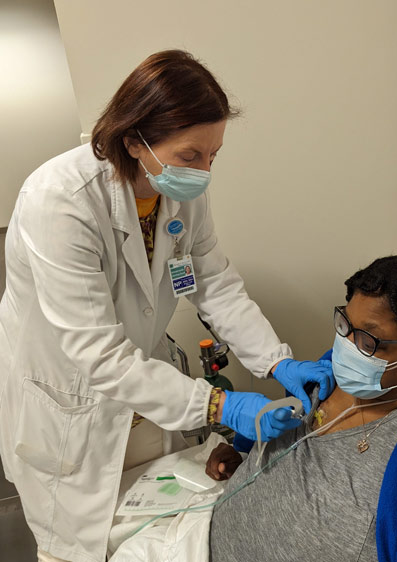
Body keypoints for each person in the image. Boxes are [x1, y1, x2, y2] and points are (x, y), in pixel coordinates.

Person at [0, 49, 333, 562]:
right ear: (134, 141)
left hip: (142, 392)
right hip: (70, 402)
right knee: (76, 549)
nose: (202, 171)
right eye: (190, 155)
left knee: (158, 519)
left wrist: (275, 359)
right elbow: (99, 355)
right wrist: (220, 406)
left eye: (212, 155)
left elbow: (214, 281)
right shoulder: (59, 200)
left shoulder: (178, 190)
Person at [205, 256, 397, 561]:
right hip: (195, 536)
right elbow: (273, 442)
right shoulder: (326, 374)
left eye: (367, 340)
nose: (346, 345)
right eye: (345, 324)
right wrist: (241, 453)